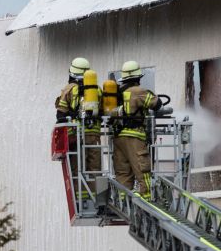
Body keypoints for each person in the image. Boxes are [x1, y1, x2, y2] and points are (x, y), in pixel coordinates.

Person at [109, 61, 157, 199]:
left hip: (118, 137)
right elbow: (156, 103)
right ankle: (148, 198)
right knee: (142, 169)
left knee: (123, 173)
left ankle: (123, 201)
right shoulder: (138, 91)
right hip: (134, 136)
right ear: (138, 78)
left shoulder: (118, 94)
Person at [55, 57, 100, 199]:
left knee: (78, 168)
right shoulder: (96, 90)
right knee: (95, 168)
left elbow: (60, 115)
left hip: (77, 134)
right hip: (94, 134)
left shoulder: (68, 89)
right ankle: (97, 198)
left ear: (72, 73)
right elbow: (104, 111)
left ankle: (82, 199)